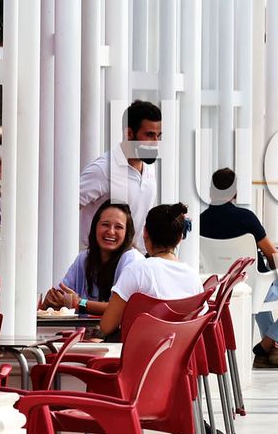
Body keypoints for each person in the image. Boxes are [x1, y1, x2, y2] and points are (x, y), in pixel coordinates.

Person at [199, 167, 278, 369]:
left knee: (257, 286)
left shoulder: (201, 220)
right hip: (255, 284)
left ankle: (271, 351)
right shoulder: (246, 217)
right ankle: (267, 345)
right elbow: (272, 254)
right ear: (235, 193)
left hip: (224, 288)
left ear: (211, 191)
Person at [97, 203, 202, 338]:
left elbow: (106, 326)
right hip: (178, 357)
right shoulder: (193, 278)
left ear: (145, 232)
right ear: (180, 238)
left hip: (137, 357)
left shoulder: (136, 271)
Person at [78, 99, 162, 253]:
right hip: (100, 265)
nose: (155, 143)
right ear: (129, 133)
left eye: (158, 136)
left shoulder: (149, 167)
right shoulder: (103, 169)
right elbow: (67, 208)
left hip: (135, 262)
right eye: (149, 135)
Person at [40, 201, 138, 315]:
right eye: (105, 224)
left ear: (127, 233)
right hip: (84, 332)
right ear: (95, 227)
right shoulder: (84, 258)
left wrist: (79, 303)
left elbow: (120, 309)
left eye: (118, 227)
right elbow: (63, 296)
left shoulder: (131, 260)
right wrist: (53, 299)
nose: (111, 231)